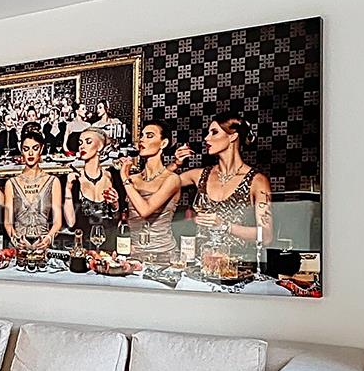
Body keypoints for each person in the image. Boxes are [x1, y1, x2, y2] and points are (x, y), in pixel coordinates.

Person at [172, 113, 272, 271]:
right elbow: (158, 186)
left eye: (214, 132)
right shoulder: (199, 175)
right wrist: (175, 164)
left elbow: (266, 236)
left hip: (238, 271)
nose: (206, 138)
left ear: (233, 136)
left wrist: (224, 225)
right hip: (202, 269)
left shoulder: (257, 181)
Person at [116, 119, 182, 263]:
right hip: (133, 256)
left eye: (149, 136)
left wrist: (124, 178)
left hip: (163, 257)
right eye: (142, 136)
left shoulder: (172, 179)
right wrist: (114, 204)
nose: (142, 140)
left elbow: (145, 211)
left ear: (163, 143)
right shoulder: (133, 179)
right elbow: (125, 218)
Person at [65, 127, 124, 251]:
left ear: (100, 146)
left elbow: (117, 221)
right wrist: (68, 189)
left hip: (110, 248)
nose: (82, 146)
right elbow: (71, 223)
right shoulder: (74, 180)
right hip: (84, 249)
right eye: (80, 143)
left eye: (88, 142)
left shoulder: (113, 177)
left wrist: (115, 204)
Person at [4, 133, 61, 251]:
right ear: (21, 150)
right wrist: (15, 239)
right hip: (19, 248)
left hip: (43, 247)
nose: (30, 153)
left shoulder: (53, 181)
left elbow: (57, 222)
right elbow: (8, 223)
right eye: (26, 149)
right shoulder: (11, 183)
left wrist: (48, 238)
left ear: (41, 149)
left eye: (35, 148)